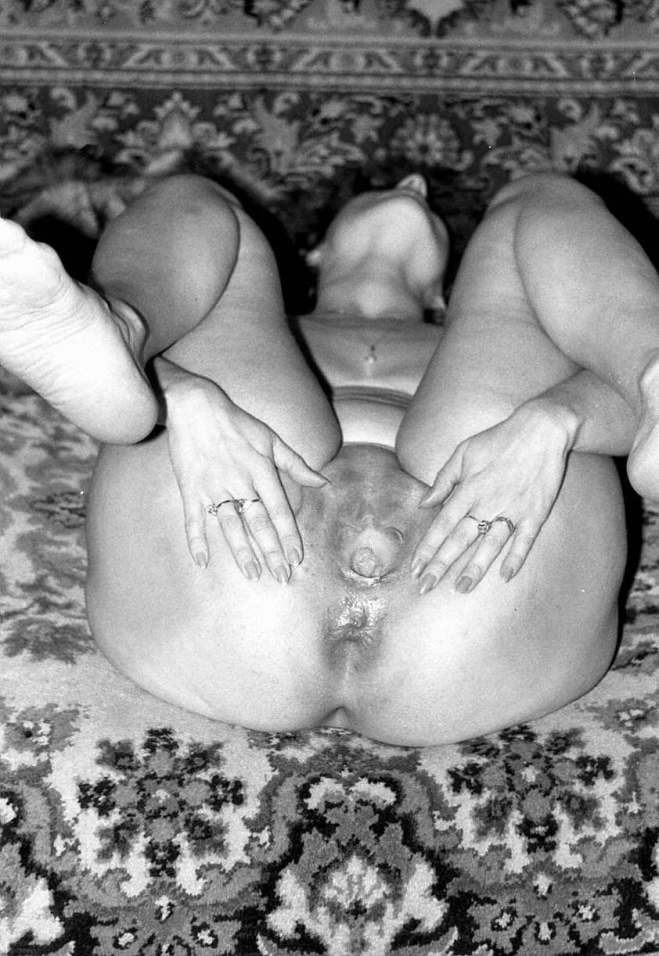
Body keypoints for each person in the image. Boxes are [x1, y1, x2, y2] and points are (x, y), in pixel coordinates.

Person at [1, 170, 659, 747]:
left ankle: (650, 368)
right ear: (312, 249)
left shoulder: (525, 331)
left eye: (425, 199)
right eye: (386, 187)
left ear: (445, 293)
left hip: (483, 620)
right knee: (205, 207)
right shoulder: (227, 313)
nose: (415, 185)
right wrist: (181, 394)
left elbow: (621, 429)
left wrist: (557, 417)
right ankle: (124, 330)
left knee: (536, 210)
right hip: (221, 596)